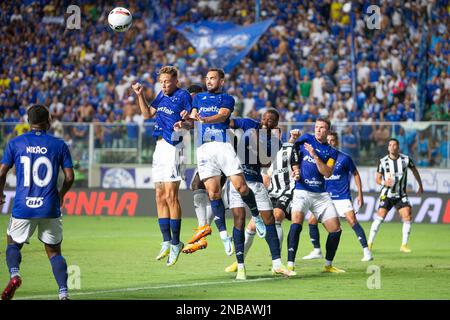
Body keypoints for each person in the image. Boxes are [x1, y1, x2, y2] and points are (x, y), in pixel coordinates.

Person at [179, 68, 265, 258]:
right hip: (203, 149)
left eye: (213, 78)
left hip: (223, 146)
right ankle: (224, 235)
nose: (209, 81)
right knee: (213, 193)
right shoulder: (198, 98)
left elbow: (223, 116)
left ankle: (256, 216)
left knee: (242, 188)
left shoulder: (227, 98)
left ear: (221, 81)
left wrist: (206, 119)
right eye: (207, 78)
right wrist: (184, 121)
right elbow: (193, 118)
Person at [0, 104, 74, 300]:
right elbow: (69, 177)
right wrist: (61, 195)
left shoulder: (15, 143)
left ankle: (15, 274)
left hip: (23, 206)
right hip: (50, 206)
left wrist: (0, 194)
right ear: (48, 122)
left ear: (28, 122)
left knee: (12, 243)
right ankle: (63, 293)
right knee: (54, 252)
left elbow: (1, 172)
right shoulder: (59, 145)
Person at [223, 110, 295, 279]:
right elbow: (229, 122)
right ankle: (240, 267)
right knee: (239, 221)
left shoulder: (275, 140)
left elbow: (265, 161)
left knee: (269, 219)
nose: (266, 120)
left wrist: (255, 141)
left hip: (255, 181)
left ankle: (277, 264)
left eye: (271, 120)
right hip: (237, 179)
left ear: (275, 124)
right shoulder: (249, 124)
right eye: (264, 117)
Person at [132, 66, 192, 266]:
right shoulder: (161, 95)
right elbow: (147, 113)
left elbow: (191, 121)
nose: (164, 85)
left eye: (167, 81)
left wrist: (183, 124)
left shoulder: (183, 95)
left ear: (176, 80)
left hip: (174, 146)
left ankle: (176, 242)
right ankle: (166, 240)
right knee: (159, 195)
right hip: (159, 147)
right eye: (162, 82)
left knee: (170, 196)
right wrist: (140, 95)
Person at [303, 132, 373, 262]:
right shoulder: (321, 157)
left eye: (333, 140)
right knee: (312, 221)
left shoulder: (345, 158)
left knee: (352, 221)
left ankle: (366, 251)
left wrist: (360, 194)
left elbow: (356, 174)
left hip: (342, 196)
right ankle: (317, 250)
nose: (330, 142)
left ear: (337, 142)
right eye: (328, 140)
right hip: (326, 197)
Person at [288, 118, 345, 274]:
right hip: (302, 190)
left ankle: (328, 265)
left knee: (336, 230)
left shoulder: (331, 151)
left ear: (327, 131)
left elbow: (327, 172)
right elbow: (290, 150)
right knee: (296, 224)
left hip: (320, 194)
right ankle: (290, 264)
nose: (318, 130)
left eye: (322, 128)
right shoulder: (306, 138)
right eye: (317, 127)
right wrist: (293, 140)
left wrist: (315, 155)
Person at [368, 138, 424, 253]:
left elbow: (414, 171)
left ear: (398, 147)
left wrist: (420, 185)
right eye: (390, 145)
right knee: (380, 217)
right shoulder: (383, 161)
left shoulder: (406, 160)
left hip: (401, 194)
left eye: (395, 145)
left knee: (407, 216)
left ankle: (404, 245)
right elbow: (377, 179)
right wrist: (384, 182)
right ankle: (369, 243)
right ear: (388, 147)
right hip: (387, 194)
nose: (392, 147)